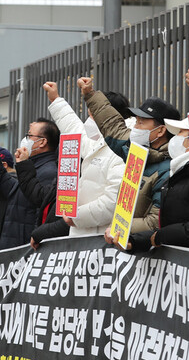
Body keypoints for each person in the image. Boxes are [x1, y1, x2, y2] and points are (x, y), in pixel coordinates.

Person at [29, 81, 124, 247]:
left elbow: (113, 202)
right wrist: (56, 100)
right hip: (82, 239)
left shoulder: (123, 150)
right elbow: (73, 127)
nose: (89, 120)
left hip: (103, 241)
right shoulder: (98, 142)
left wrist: (76, 217)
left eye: (93, 115)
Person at [82, 77, 177, 233]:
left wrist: (120, 228)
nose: (135, 128)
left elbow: (156, 221)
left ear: (160, 131)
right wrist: (90, 94)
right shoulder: (135, 152)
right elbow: (112, 125)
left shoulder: (169, 169)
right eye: (136, 121)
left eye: (141, 123)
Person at [120, 115, 189, 253]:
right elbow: (170, 225)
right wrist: (136, 241)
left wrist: (162, 236)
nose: (175, 138)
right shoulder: (181, 174)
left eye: (181, 133)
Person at [0, 117, 61, 249]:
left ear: (42, 142)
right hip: (14, 243)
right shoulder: (31, 166)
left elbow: (38, 207)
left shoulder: (49, 171)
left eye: (29, 135)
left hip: (25, 246)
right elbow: (15, 193)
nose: (25, 140)